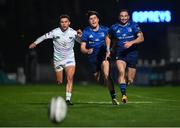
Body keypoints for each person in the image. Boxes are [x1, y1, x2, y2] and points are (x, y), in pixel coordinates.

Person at [29, 14, 82, 105]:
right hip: (58, 60)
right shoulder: (55, 32)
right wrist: (35, 43)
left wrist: (80, 36)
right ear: (59, 23)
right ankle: (62, 75)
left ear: (69, 23)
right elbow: (44, 37)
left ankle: (68, 100)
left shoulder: (73, 32)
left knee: (70, 78)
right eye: (62, 22)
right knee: (59, 81)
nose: (64, 24)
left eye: (66, 22)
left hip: (70, 59)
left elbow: (81, 42)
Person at [106, 9, 144, 103]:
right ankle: (124, 95)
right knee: (121, 72)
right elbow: (108, 37)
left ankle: (124, 84)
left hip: (132, 54)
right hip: (120, 54)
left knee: (130, 80)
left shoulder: (133, 25)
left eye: (125, 16)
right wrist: (108, 49)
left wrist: (131, 42)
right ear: (119, 17)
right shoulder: (114, 27)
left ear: (128, 17)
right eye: (121, 16)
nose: (123, 18)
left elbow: (141, 38)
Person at [81, 11, 119, 105]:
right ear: (89, 21)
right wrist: (87, 51)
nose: (93, 20)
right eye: (91, 19)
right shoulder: (86, 31)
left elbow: (115, 40)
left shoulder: (105, 30)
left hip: (103, 56)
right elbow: (82, 48)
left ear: (98, 19)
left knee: (107, 75)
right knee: (97, 79)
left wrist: (110, 50)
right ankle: (101, 78)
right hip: (93, 59)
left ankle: (113, 97)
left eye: (95, 18)